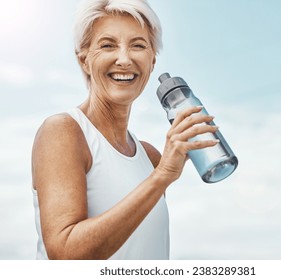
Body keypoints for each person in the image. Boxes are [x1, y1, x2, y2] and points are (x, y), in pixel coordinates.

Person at [31, 0, 219, 260]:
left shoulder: (151, 157)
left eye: (138, 45)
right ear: (84, 59)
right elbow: (65, 254)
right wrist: (162, 176)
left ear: (152, 61)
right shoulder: (64, 132)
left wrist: (162, 171)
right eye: (108, 45)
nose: (124, 59)